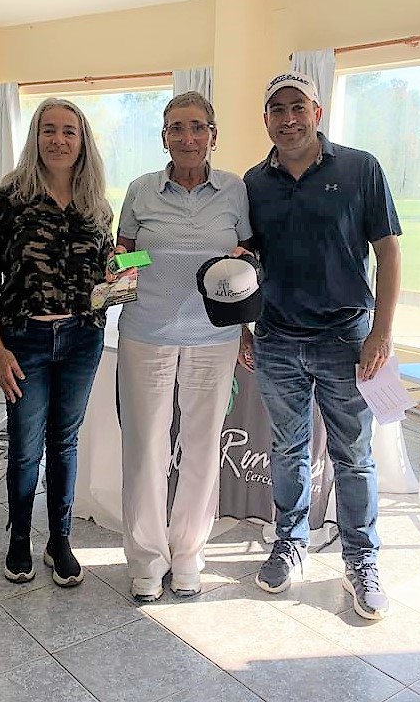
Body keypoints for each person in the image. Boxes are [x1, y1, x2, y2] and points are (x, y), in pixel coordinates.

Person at [241, 71, 401, 620]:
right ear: (265, 120)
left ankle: (362, 559)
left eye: (297, 107)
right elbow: (246, 263)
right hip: (277, 339)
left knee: (353, 457)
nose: (288, 119)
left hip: (345, 339)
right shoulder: (253, 182)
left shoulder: (360, 168)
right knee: (288, 449)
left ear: (317, 111)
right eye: (277, 109)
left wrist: (381, 332)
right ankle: (290, 542)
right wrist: (243, 328)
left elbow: (389, 252)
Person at [116, 91, 252, 603]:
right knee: (145, 448)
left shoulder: (234, 190)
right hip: (146, 333)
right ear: (164, 137)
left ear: (213, 136)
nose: (187, 137)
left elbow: (245, 254)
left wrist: (244, 319)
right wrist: (126, 265)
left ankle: (189, 555)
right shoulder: (141, 190)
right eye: (176, 127)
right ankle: (147, 561)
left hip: (214, 337)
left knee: (201, 447)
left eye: (197, 127)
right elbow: (126, 254)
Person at [0, 98, 115, 587]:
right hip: (24, 340)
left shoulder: (96, 204)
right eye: (49, 130)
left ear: (82, 141)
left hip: (82, 339)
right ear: (35, 137)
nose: (59, 139)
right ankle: (19, 540)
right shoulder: (8, 199)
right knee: (25, 447)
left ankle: (60, 539)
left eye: (69, 131)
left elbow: (105, 274)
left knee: (65, 443)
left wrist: (121, 275)